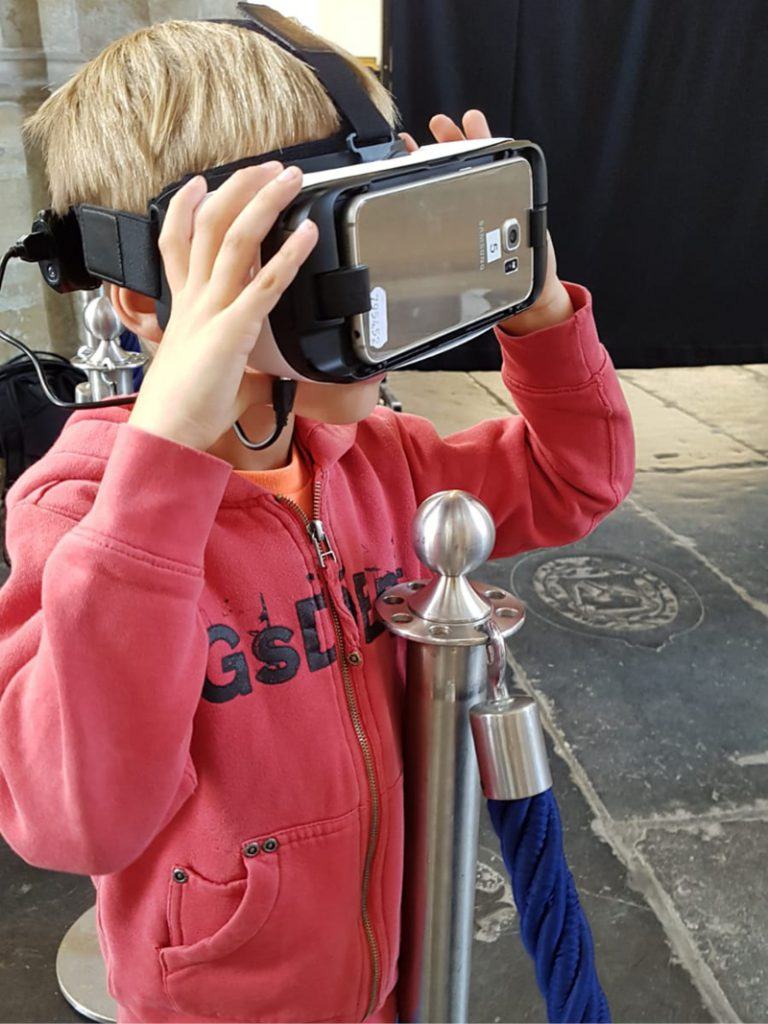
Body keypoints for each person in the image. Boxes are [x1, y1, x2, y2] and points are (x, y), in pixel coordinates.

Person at [0, 16, 634, 1024]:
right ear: (147, 300)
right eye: (300, 257)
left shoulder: (380, 458)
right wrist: (163, 467)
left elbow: (576, 477)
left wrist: (536, 306)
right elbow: (76, 816)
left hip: (397, 963)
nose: (372, 297)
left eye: (380, 228)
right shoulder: (79, 516)